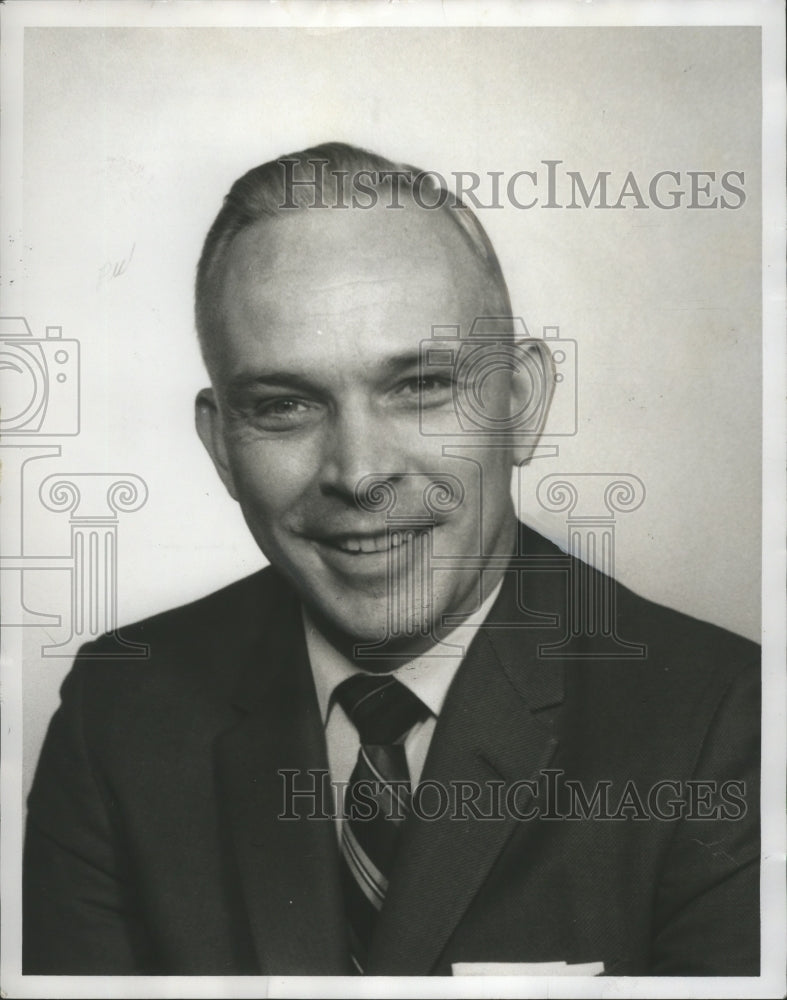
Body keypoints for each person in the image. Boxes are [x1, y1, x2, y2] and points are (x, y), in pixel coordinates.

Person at [23, 142, 760, 977]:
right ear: (221, 445)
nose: (360, 472)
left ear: (520, 404)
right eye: (285, 405)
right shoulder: (119, 712)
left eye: (418, 387)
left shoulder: (722, 724)